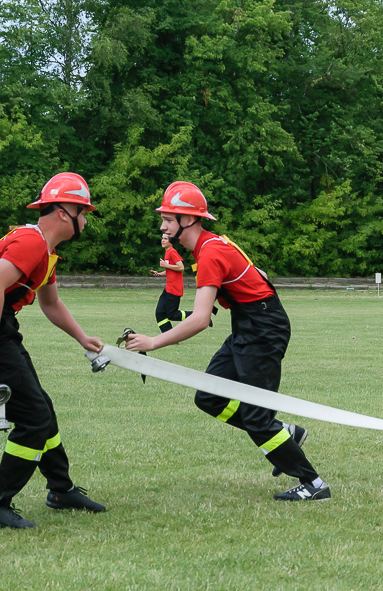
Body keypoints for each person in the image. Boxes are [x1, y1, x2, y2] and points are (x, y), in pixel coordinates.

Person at [124, 181, 331, 501]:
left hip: (263, 329)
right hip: (247, 326)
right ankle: (288, 434)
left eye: (168, 219)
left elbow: (200, 319)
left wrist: (153, 342)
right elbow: (254, 275)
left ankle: (313, 484)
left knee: (256, 418)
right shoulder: (208, 247)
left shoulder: (209, 253)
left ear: (188, 220)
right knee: (209, 398)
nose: (162, 225)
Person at [0, 172, 106, 530]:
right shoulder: (32, 243)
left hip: (1, 325)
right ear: (64, 212)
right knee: (33, 418)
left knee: (41, 408)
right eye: (83, 211)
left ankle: (60, 489)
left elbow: (51, 303)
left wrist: (82, 337)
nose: (86, 219)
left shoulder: (44, 251)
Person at [151, 233, 193, 333]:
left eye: (165, 239)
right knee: (159, 312)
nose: (162, 240)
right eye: (162, 238)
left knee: (172, 315)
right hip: (168, 287)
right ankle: (168, 337)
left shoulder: (172, 252)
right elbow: (171, 270)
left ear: (171, 242)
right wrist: (159, 274)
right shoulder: (167, 252)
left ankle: (196, 316)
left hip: (174, 288)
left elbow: (181, 267)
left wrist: (165, 265)